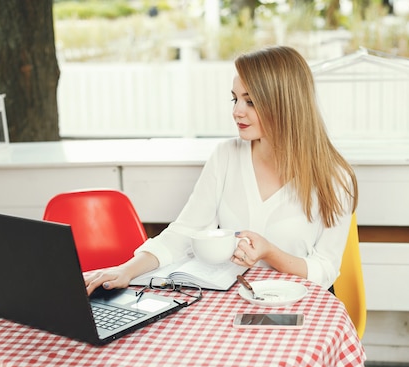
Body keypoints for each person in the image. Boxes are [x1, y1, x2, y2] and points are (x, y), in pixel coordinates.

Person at [85, 45, 358, 294]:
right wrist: (125, 270)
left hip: (299, 307)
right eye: (234, 99)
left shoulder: (334, 178)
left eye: (250, 101)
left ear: (283, 104)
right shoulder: (226, 156)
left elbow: (325, 269)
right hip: (232, 301)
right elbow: (184, 233)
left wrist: (270, 253)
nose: (237, 111)